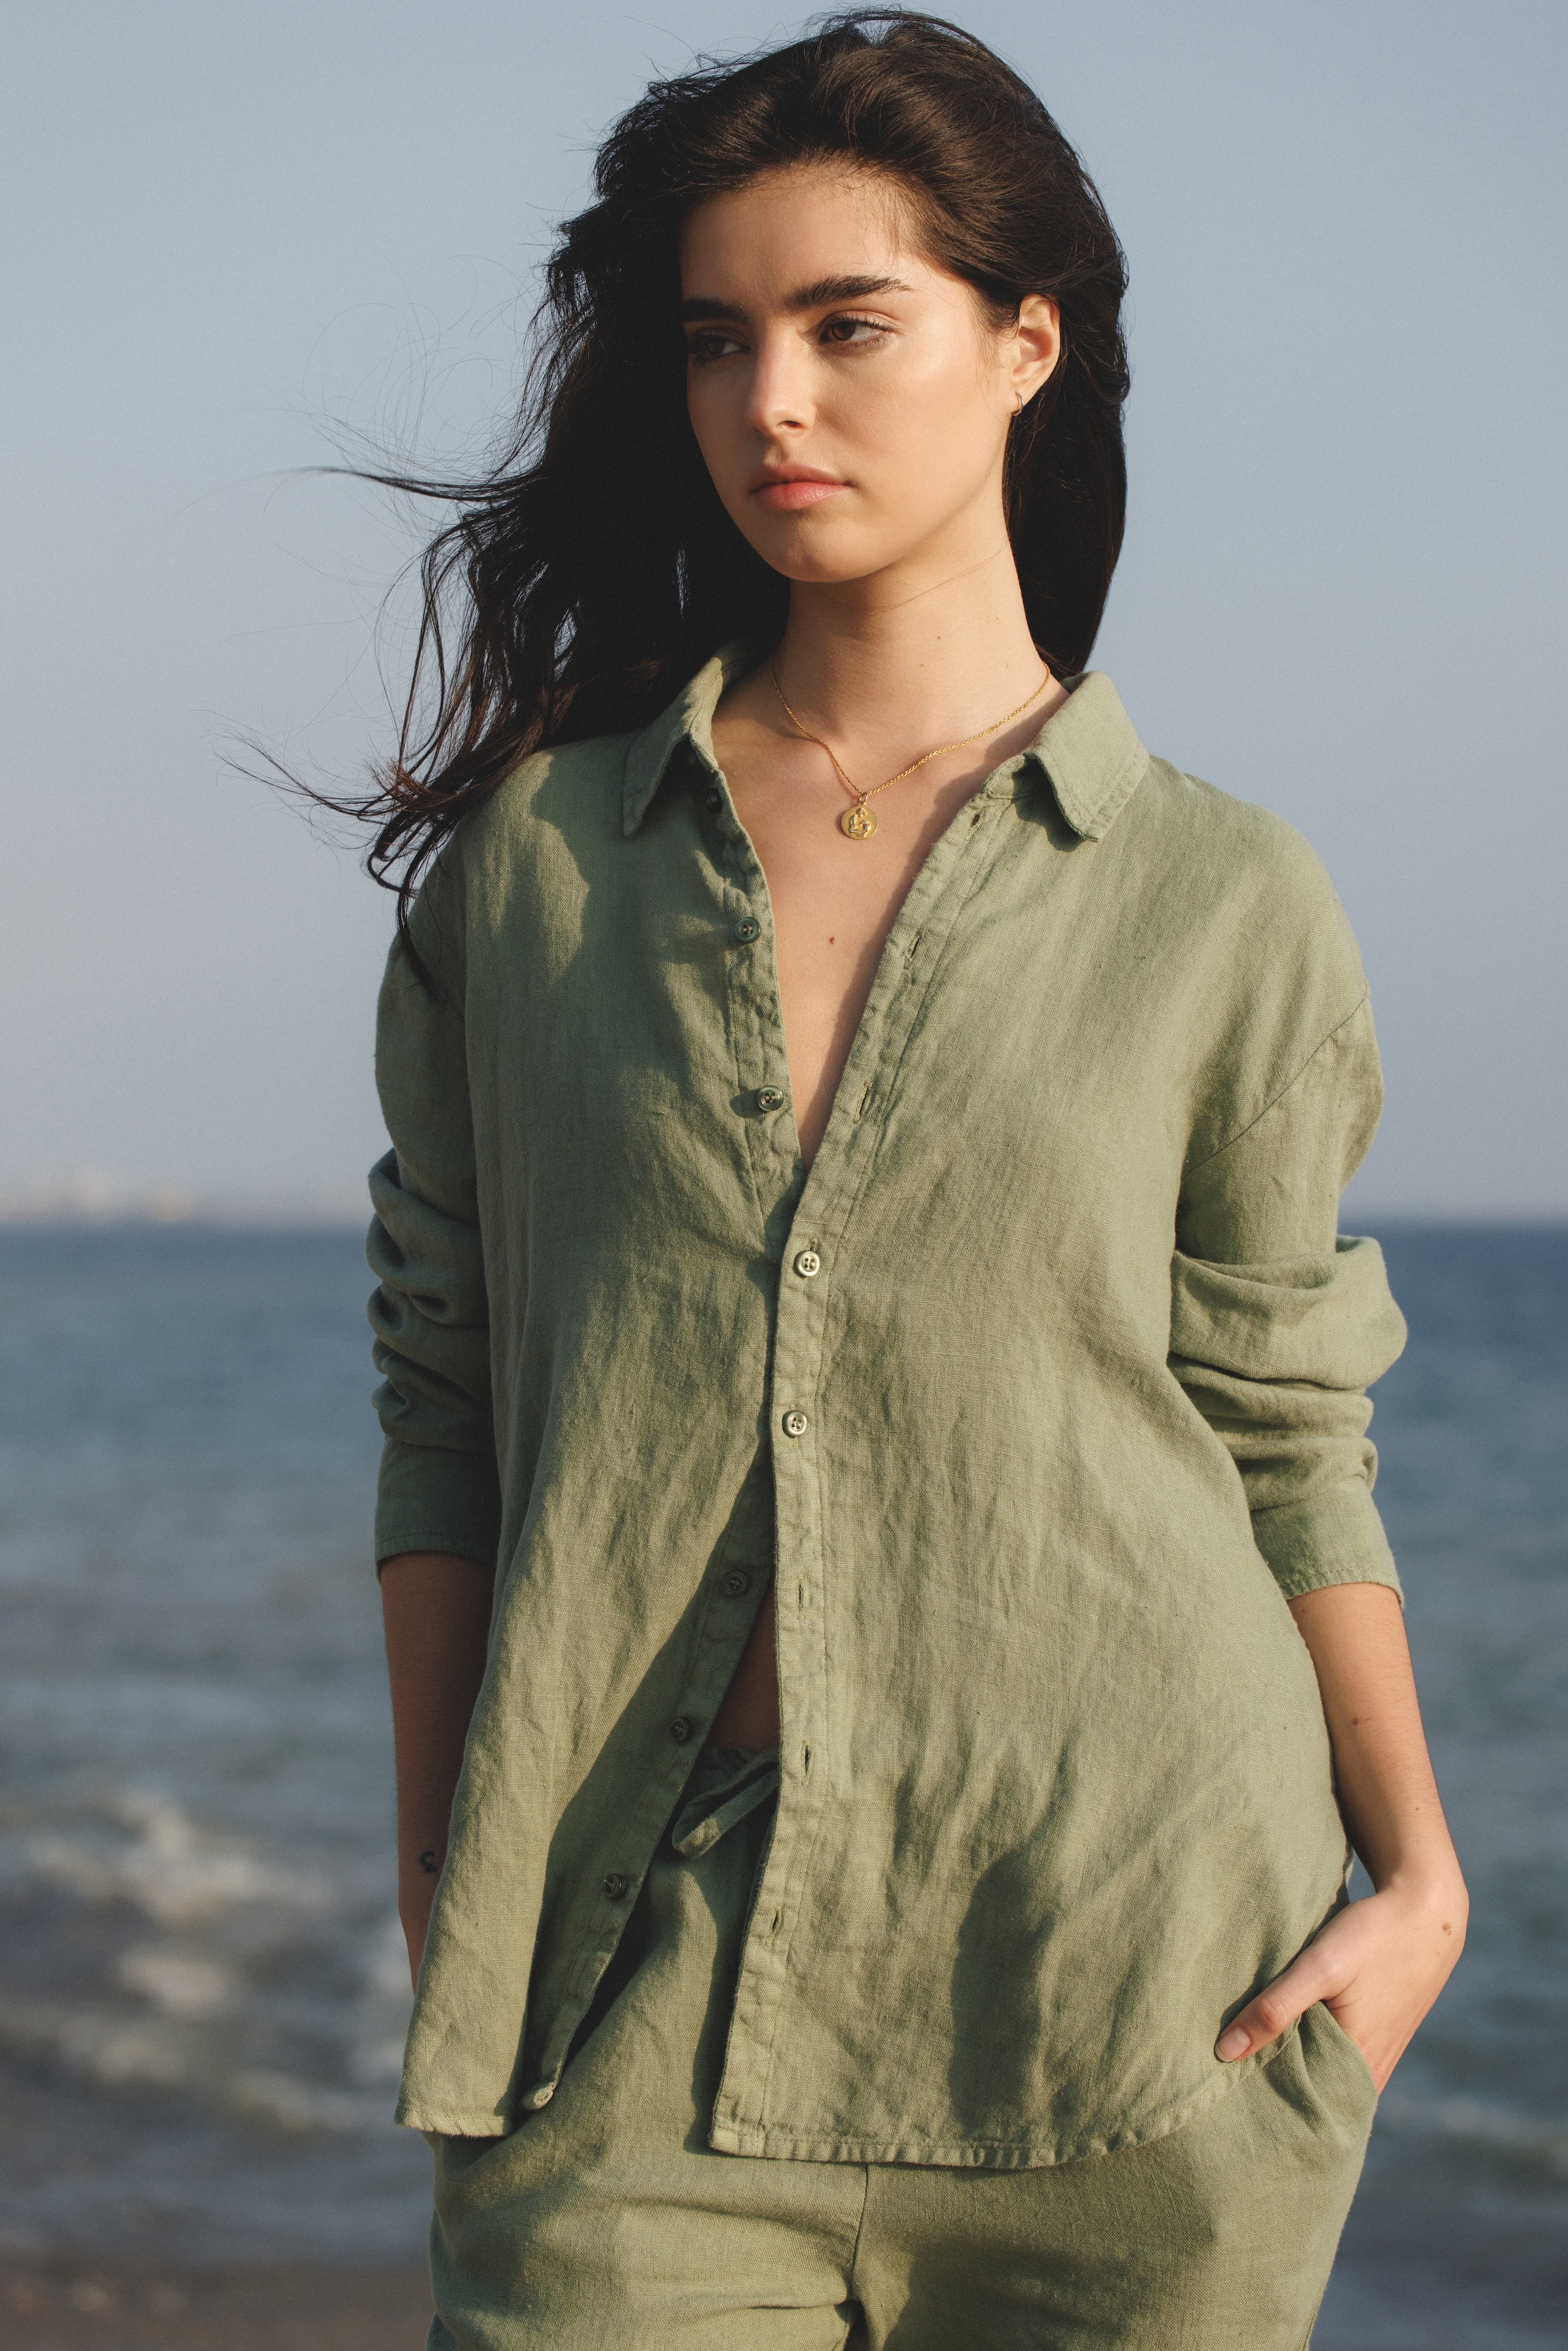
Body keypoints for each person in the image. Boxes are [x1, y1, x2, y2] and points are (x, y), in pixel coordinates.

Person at [361, 13, 1465, 2346]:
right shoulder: (541, 873)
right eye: (719, 341)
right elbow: (444, 1381)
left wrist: (1425, 1878)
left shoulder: (1226, 901)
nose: (773, 401)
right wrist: (439, 1852)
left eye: (849, 327)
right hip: (627, 2015)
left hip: (1146, 2005)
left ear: (1024, 343)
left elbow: (1282, 1421)